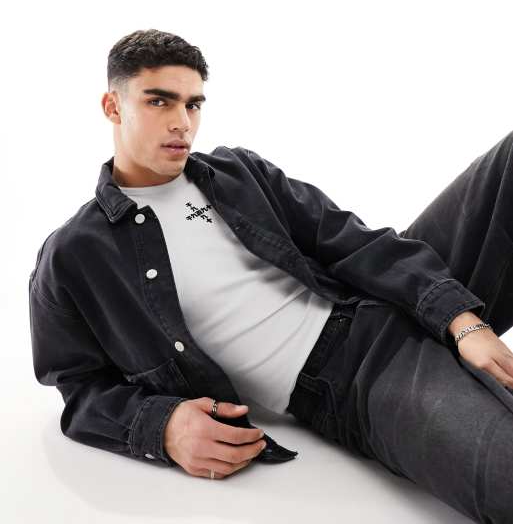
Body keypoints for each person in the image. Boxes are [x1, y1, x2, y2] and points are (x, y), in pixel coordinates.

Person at [29, 28, 513, 522]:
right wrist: (164, 428)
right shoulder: (75, 253)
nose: (182, 123)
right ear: (113, 106)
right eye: (159, 101)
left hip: (379, 292)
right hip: (354, 377)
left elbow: (351, 240)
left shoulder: (237, 171)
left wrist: (459, 318)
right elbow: (78, 386)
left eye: (193, 105)